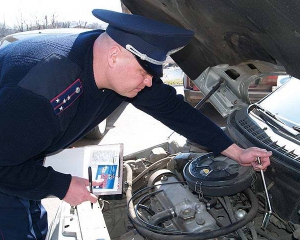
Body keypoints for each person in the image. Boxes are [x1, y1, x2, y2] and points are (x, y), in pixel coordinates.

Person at [0, 9, 272, 239]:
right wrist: (61, 185)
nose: (148, 82)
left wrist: (236, 152)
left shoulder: (114, 64)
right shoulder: (44, 94)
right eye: (144, 72)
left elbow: (173, 109)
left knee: (33, 213)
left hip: (17, 147)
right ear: (114, 56)